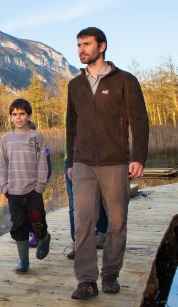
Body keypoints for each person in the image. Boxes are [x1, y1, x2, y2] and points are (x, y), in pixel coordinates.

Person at [66, 27, 149, 300]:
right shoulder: (74, 85)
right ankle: (86, 280)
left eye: (86, 44)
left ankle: (111, 274)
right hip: (82, 163)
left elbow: (139, 120)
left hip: (115, 162)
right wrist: (70, 158)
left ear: (102, 46)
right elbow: (71, 125)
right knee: (83, 222)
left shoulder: (125, 80)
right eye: (79, 45)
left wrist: (138, 157)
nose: (81, 50)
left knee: (117, 221)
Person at [0, 99, 51, 274]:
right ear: (11, 117)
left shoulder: (36, 137)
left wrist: (40, 186)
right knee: (18, 225)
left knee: (38, 223)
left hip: (33, 190)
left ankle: (44, 238)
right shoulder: (6, 138)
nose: (18, 117)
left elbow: (42, 162)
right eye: (14, 114)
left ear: (28, 115)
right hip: (13, 191)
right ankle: (23, 261)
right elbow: (3, 164)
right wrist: (4, 186)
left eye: (22, 113)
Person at [65, 154, 109, 260]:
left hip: (93, 156)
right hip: (72, 158)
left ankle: (102, 232)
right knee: (74, 204)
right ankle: (78, 242)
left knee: (96, 198)